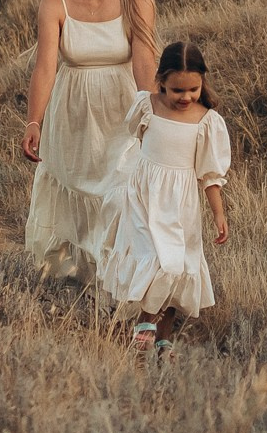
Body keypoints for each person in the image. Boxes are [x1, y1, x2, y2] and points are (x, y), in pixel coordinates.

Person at [22, 0, 158, 281]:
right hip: (74, 114)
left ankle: (121, 277)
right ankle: (79, 277)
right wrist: (34, 121)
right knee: (78, 188)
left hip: (122, 111)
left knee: (122, 189)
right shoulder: (55, 2)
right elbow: (45, 68)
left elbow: (145, 58)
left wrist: (151, 112)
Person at [97, 40, 229, 350]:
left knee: (178, 269)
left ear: (202, 83)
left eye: (193, 90)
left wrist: (218, 213)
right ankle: (144, 326)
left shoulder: (206, 121)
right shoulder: (147, 105)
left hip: (181, 204)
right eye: (177, 91)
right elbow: (137, 134)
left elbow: (209, 175)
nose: (186, 97)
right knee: (158, 263)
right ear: (161, 83)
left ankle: (163, 340)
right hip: (144, 198)